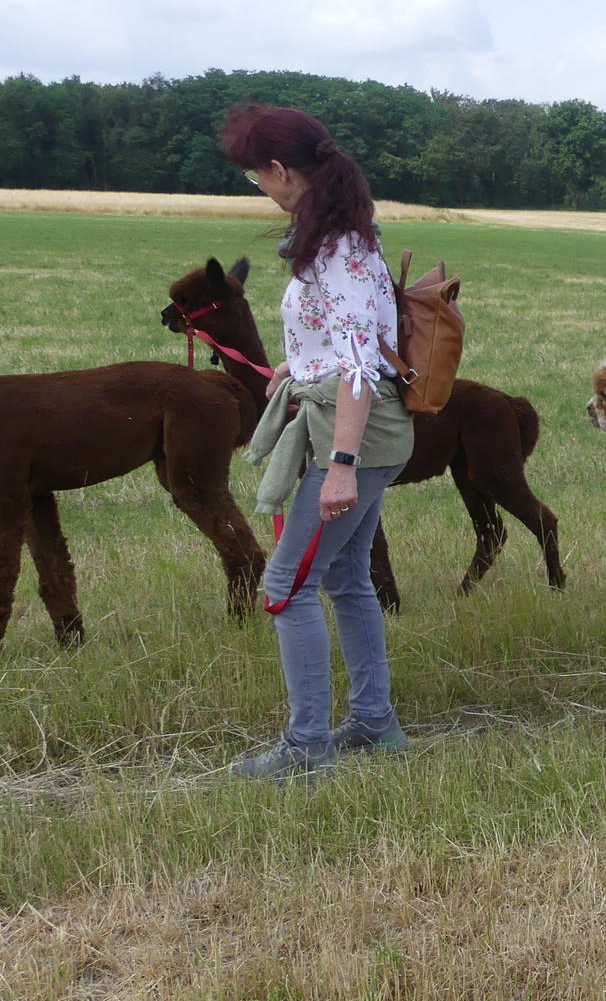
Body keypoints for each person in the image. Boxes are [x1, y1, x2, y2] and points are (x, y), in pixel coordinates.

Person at [223, 103, 416, 780]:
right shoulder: (347, 234)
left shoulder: (336, 250)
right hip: (369, 426)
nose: (260, 188)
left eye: (257, 177)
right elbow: (343, 340)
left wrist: (340, 465)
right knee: (346, 577)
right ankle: (373, 723)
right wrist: (297, 363)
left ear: (281, 171)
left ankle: (307, 747)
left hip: (354, 434)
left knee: (285, 585)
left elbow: (361, 363)